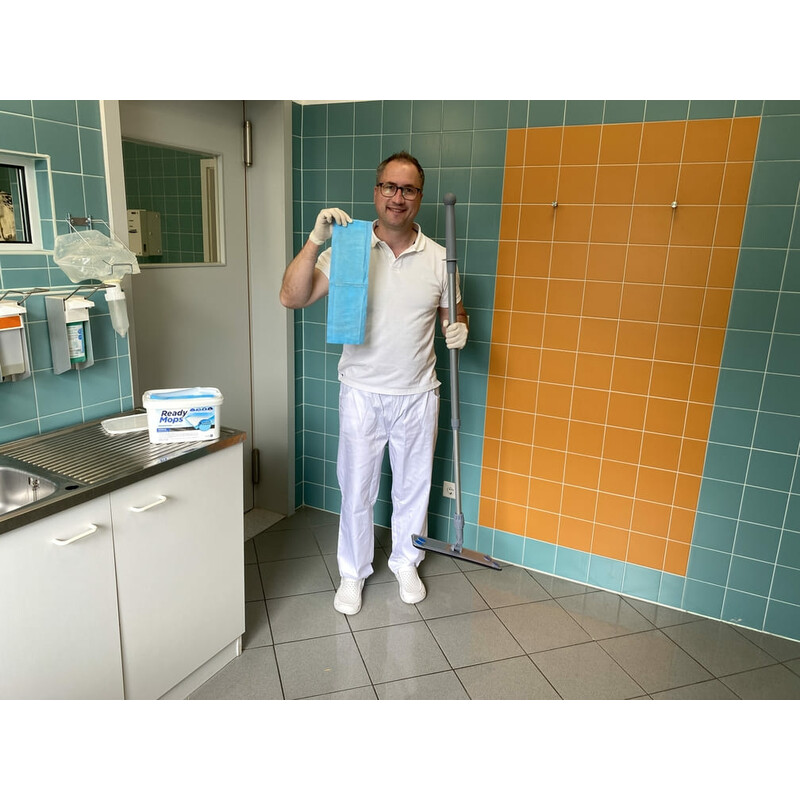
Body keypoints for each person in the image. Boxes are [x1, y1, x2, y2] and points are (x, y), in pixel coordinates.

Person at [280, 151, 469, 615]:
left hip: (418, 394)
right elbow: (292, 297)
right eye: (389, 186)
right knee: (357, 488)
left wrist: (460, 327)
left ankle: (406, 561)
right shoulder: (348, 249)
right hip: (361, 391)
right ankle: (353, 572)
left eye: (408, 189)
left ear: (420, 197)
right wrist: (314, 241)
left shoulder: (440, 258)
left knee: (414, 488)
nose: (397, 197)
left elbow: (455, 313)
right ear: (376, 190)